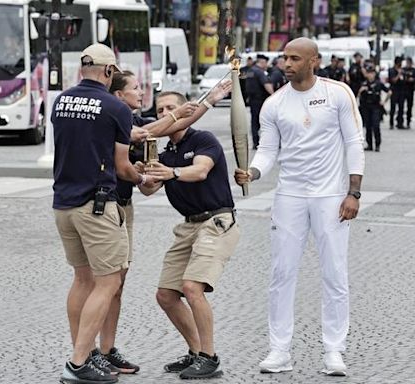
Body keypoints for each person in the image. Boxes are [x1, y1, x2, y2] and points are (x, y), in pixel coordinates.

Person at [234, 37, 365, 376]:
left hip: (331, 196)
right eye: (284, 58)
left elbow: (354, 142)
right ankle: (279, 350)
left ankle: (334, 351)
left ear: (313, 61)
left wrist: (354, 193)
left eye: (294, 58)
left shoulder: (338, 93)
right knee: (281, 274)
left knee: (335, 274)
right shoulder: (274, 103)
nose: (287, 64)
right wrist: (254, 170)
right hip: (289, 195)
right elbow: (268, 149)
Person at [52, 43, 156, 384]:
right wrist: (144, 179)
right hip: (96, 206)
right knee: (109, 281)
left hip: (64, 204)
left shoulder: (61, 101)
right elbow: (123, 167)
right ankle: (80, 360)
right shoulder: (114, 107)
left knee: (83, 280)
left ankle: (87, 353)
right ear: (109, 72)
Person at [83, 71, 199, 374]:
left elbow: (148, 168)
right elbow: (149, 133)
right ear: (119, 95)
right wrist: (206, 102)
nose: (141, 91)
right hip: (104, 208)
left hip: (123, 208)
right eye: (135, 88)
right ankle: (88, 353)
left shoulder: (132, 120)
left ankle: (106, 350)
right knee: (103, 284)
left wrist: (145, 176)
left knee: (116, 285)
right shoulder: (114, 117)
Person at [138, 91, 240, 380]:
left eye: (172, 107)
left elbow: (200, 171)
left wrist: (171, 172)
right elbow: (148, 189)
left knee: (192, 287)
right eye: (161, 109)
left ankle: (209, 357)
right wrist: (142, 175)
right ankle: (196, 352)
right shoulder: (163, 151)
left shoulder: (203, 139)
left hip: (216, 221)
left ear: (185, 109)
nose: (166, 112)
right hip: (188, 225)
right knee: (166, 295)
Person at [358, 65, 391, 152]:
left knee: (376, 126)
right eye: (368, 73)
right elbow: (357, 96)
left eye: (371, 73)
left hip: (376, 106)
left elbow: (389, 92)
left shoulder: (378, 83)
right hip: (366, 107)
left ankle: (377, 144)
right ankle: (369, 144)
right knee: (368, 126)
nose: (370, 75)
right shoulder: (364, 83)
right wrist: (361, 90)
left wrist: (384, 102)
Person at [245, 54, 274, 149]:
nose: (267, 65)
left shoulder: (250, 71)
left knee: (254, 122)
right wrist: (274, 96)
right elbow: (267, 85)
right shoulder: (259, 72)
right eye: (266, 63)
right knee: (264, 121)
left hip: (252, 100)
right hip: (260, 100)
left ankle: (255, 142)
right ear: (262, 62)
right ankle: (264, 142)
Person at [388, 56, 406, 129]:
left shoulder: (402, 70)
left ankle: (400, 123)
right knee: (393, 108)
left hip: (402, 91)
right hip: (394, 91)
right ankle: (391, 123)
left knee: (401, 107)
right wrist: (399, 74)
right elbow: (393, 81)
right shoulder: (391, 70)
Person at [402, 57, 415, 129]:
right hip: (403, 90)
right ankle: (400, 121)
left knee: (409, 106)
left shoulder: (413, 70)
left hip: (410, 90)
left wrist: (412, 79)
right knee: (401, 106)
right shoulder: (403, 70)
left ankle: (408, 121)